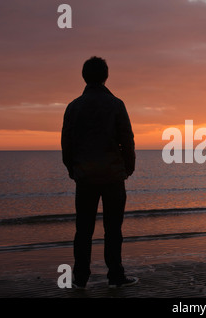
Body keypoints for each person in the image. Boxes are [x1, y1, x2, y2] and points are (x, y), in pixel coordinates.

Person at [61, 56, 138, 289]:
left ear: (84, 77)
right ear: (106, 76)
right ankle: (115, 276)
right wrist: (128, 167)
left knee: (83, 230)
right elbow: (127, 140)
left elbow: (67, 143)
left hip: (85, 176)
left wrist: (72, 169)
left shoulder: (74, 106)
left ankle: (80, 278)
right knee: (113, 230)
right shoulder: (116, 104)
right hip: (113, 176)